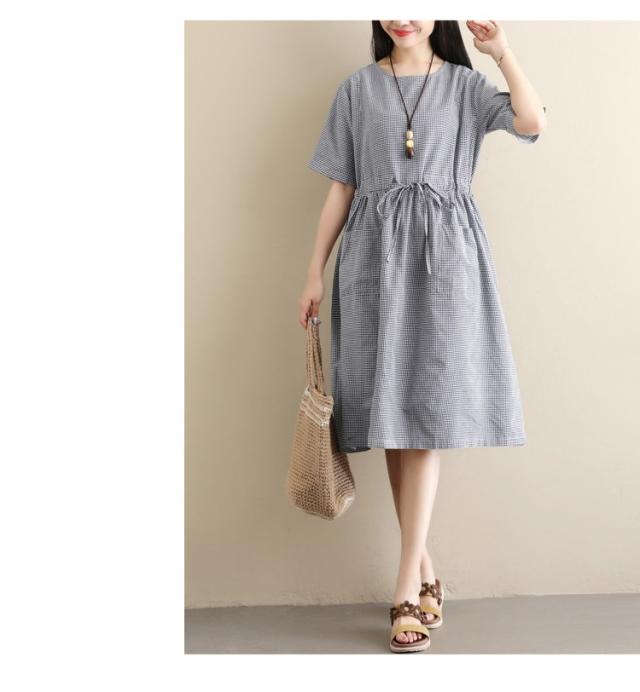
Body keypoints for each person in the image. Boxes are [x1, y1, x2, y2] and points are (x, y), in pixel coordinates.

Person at [298, 19, 547, 653]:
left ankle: (406, 586)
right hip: (371, 264)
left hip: (447, 261)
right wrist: (314, 272)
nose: (401, 15)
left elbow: (531, 121)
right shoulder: (357, 89)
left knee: (426, 418)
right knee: (392, 420)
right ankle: (427, 571)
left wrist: (502, 53)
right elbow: (342, 185)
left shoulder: (464, 84)